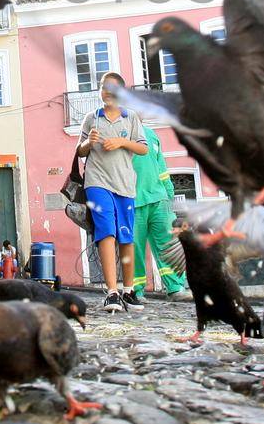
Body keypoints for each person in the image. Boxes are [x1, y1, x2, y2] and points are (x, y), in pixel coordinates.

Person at [76, 71, 148, 313]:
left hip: (125, 184)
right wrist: (88, 143)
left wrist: (122, 142)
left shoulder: (131, 118)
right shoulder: (91, 118)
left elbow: (143, 149)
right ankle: (112, 292)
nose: (107, 92)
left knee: (126, 236)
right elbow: (80, 151)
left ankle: (128, 291)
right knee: (106, 231)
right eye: (103, 87)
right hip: (97, 182)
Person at [131, 124, 187, 304]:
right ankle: (136, 291)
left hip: (160, 199)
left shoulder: (150, 134)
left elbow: (161, 168)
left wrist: (169, 194)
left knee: (169, 243)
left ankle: (176, 287)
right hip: (132, 200)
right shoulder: (122, 132)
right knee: (134, 248)